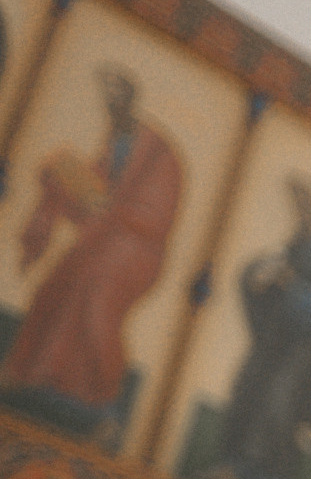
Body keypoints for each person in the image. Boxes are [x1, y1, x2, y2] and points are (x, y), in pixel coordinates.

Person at [0, 66, 183, 444]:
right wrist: (60, 179)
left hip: (137, 250)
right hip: (105, 240)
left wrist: (109, 206)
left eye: (116, 96)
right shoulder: (114, 141)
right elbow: (92, 201)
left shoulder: (158, 151)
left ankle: (106, 408)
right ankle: (36, 377)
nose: (109, 105)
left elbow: (154, 213)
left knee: (95, 301)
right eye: (106, 98)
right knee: (54, 288)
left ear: (129, 100)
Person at [181, 176, 311, 479]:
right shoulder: (292, 246)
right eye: (294, 203)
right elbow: (257, 276)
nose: (298, 210)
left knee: (282, 401)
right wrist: (257, 282)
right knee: (247, 386)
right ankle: (233, 468)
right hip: (278, 340)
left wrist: (291, 285)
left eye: (302, 201)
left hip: (310, 351)